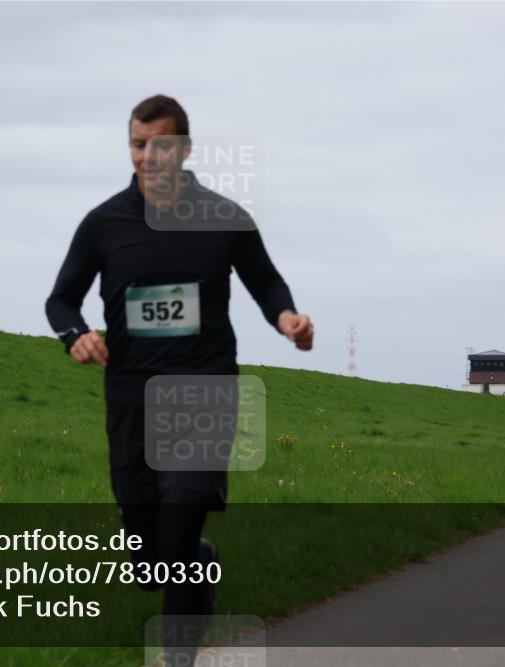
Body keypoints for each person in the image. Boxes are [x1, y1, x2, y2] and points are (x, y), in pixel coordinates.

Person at [45, 95, 313, 665]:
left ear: (185, 148)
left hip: (203, 388)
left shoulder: (225, 218)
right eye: (138, 145)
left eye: (160, 145)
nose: (148, 157)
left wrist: (287, 320)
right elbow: (61, 299)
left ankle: (176, 658)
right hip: (131, 396)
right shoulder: (103, 225)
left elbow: (267, 283)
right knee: (151, 559)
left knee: (180, 515)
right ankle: (198, 558)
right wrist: (77, 336)